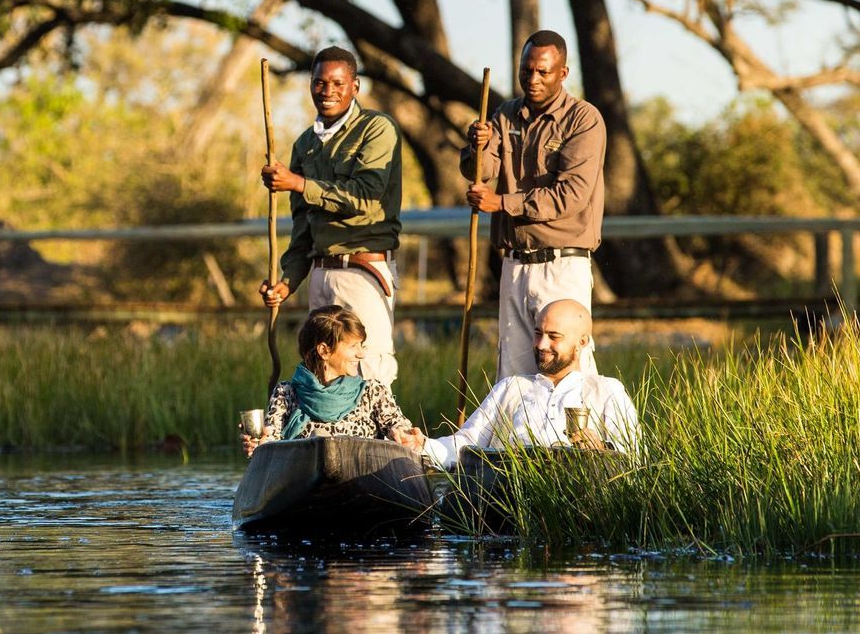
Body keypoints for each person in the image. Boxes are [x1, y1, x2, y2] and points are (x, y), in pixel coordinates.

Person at [461, 29, 605, 380]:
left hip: (562, 264)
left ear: (563, 73)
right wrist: (475, 144)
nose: (533, 79)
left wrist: (502, 203)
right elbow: (480, 170)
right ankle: (517, 437)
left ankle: (583, 437)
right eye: (527, 71)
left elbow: (571, 194)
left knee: (567, 370)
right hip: (515, 264)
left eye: (543, 72)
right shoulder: (504, 114)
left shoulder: (583, 119)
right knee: (513, 372)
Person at [259, 46, 404, 385]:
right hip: (320, 275)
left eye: (338, 83)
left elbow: (366, 198)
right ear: (311, 85)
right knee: (320, 374)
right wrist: (287, 281)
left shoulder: (377, 128)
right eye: (320, 83)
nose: (328, 92)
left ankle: (377, 440)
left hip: (363, 271)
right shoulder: (304, 144)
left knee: (367, 372)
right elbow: (302, 226)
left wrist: (298, 183)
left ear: (355, 86)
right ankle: (325, 440)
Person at [421, 298, 638, 467]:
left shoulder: (606, 390)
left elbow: (634, 458)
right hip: (510, 500)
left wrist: (600, 450)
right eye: (538, 333)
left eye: (554, 336)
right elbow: (466, 443)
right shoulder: (511, 387)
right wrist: (423, 445)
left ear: (582, 342)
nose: (541, 344)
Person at [241, 306, 425, 456]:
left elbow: (396, 424)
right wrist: (259, 443)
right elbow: (271, 438)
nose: (361, 354)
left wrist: (405, 435)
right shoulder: (286, 392)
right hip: (303, 484)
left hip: (359, 484)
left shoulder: (372, 392)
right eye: (353, 346)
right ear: (324, 351)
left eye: (362, 345)